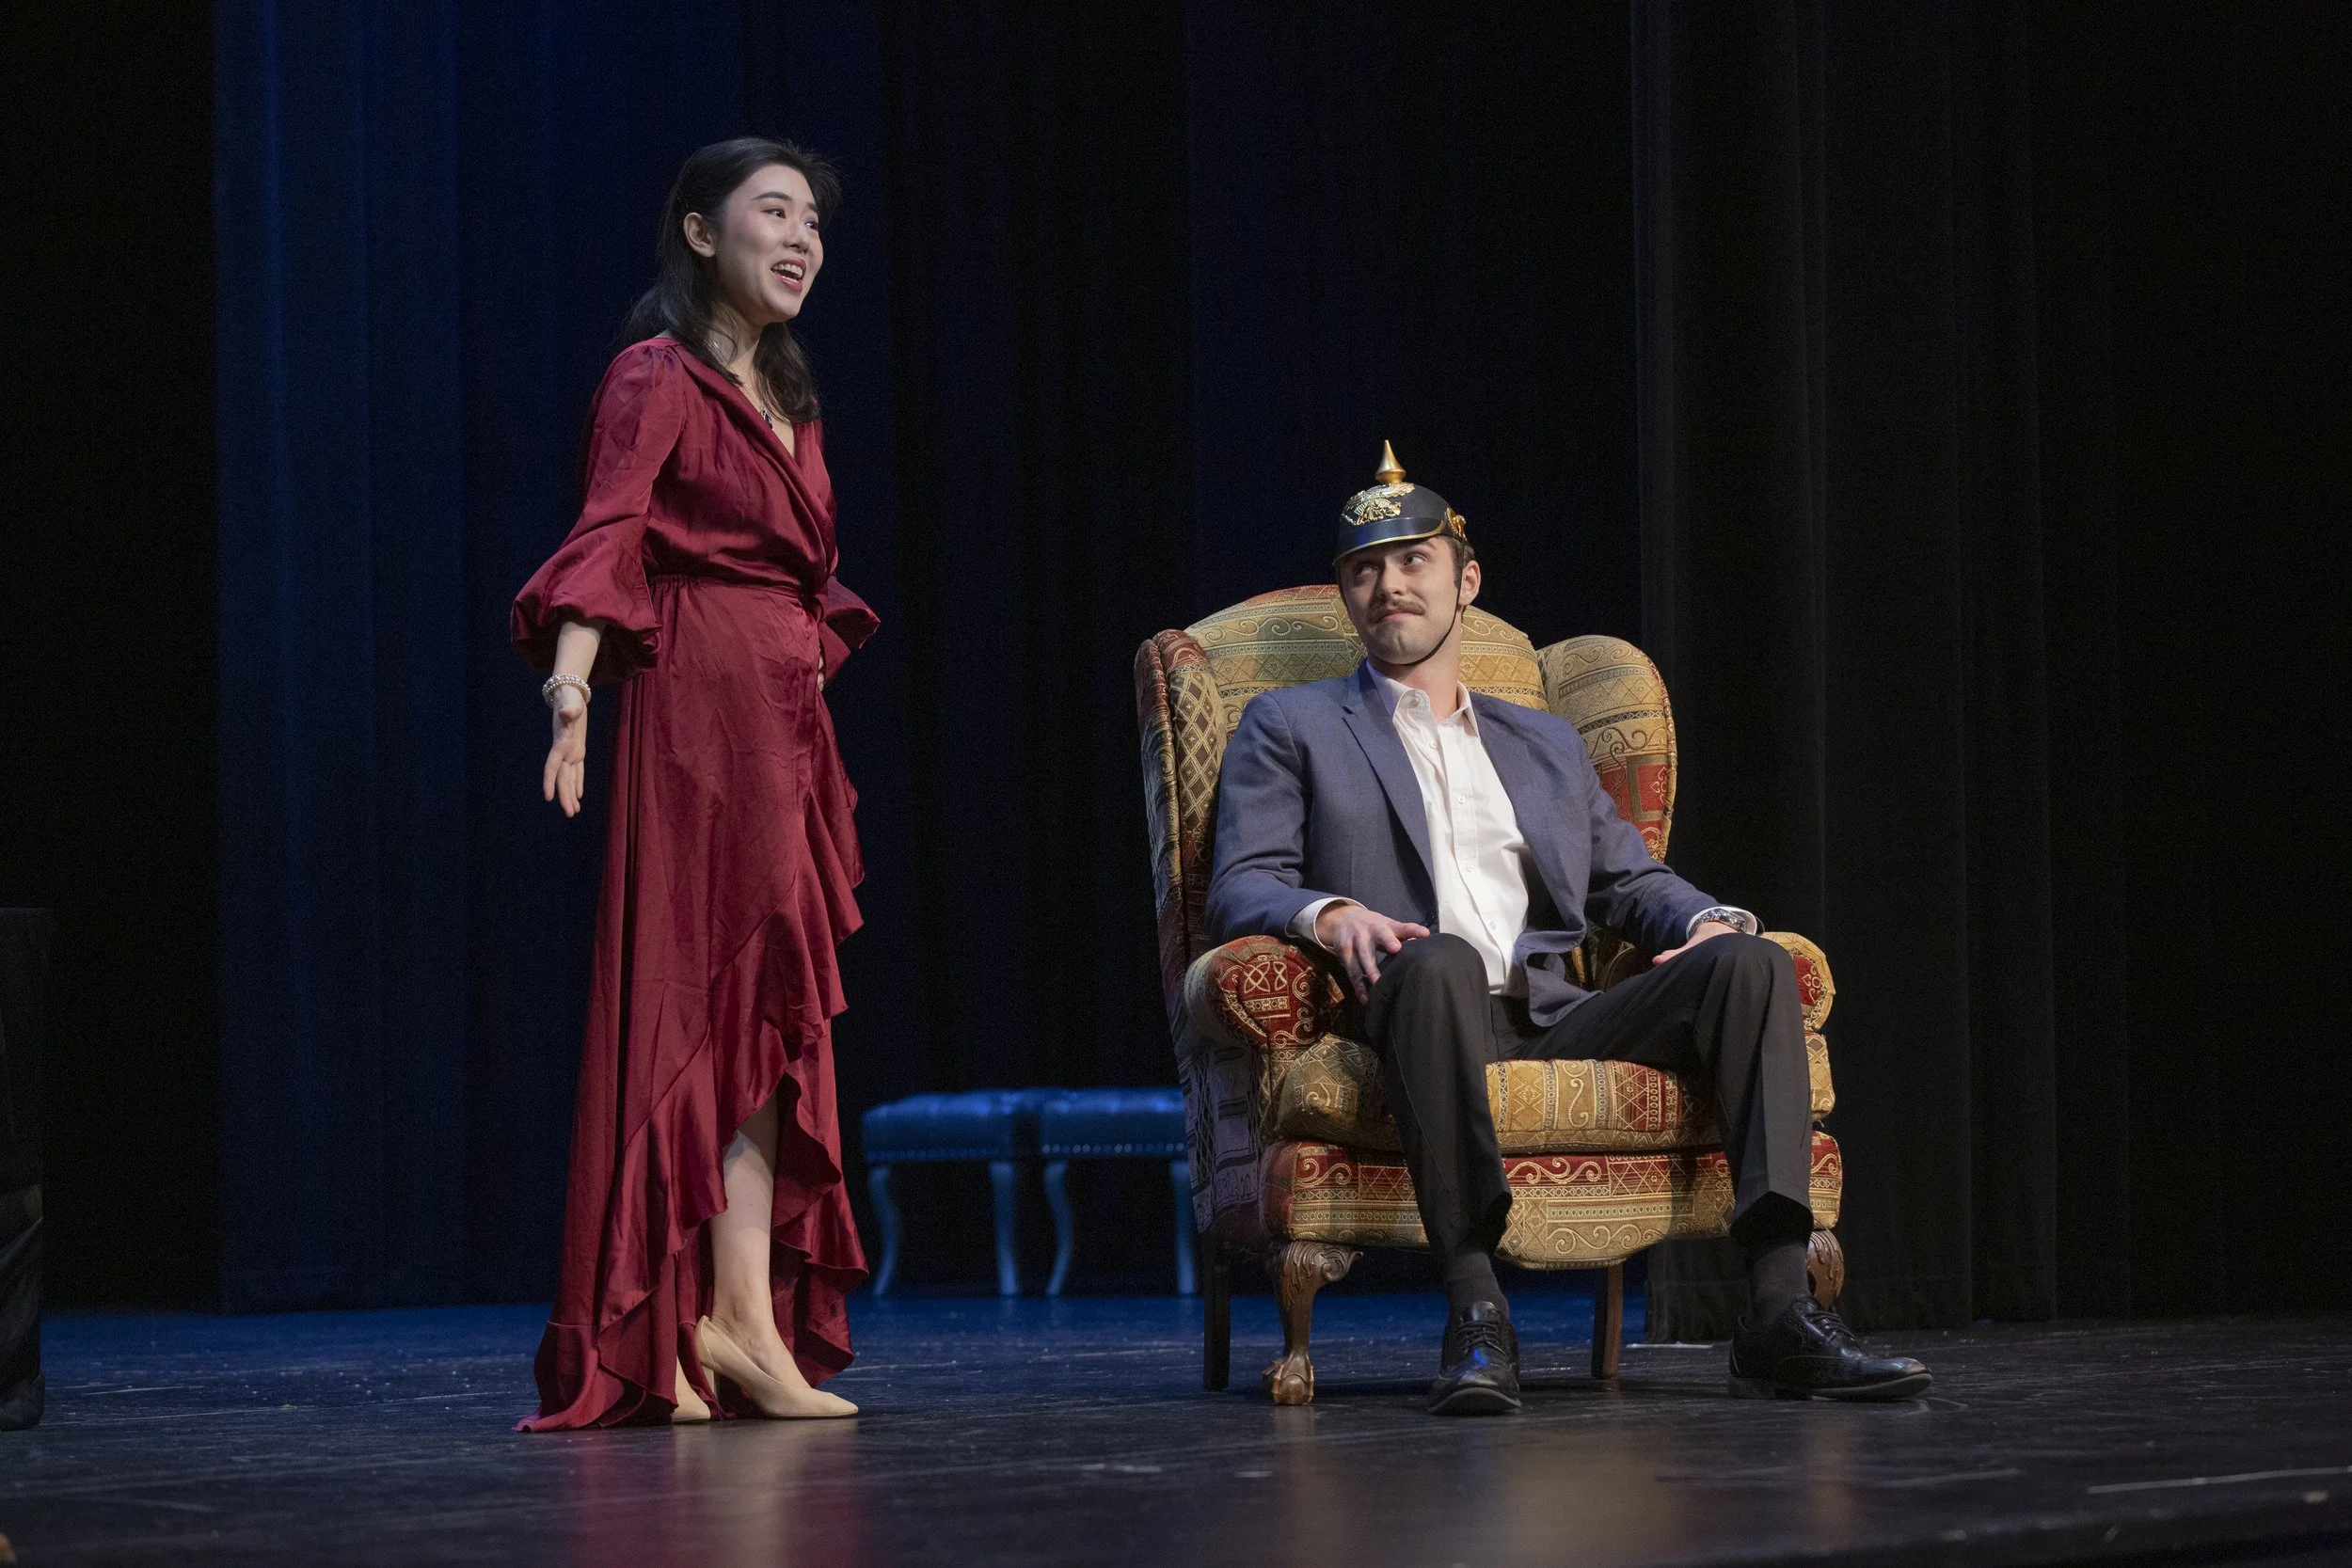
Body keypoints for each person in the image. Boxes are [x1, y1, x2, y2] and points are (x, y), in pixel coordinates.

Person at [1206, 447, 1931, 1416]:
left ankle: (1774, 1311)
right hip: (1412, 1003)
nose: (1388, 585)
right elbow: (1241, 883)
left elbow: (1630, 879)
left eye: (1413, 561)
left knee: (1750, 964)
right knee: (1441, 959)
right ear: (1347, 595)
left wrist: (1705, 920)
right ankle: (1475, 1310)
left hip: (1554, 1007)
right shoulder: (1289, 723)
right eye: (1363, 570)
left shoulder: (1542, 742)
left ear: (1464, 581)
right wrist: (1327, 912)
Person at [511, 137, 875, 1429]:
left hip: (784, 720)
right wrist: (569, 693)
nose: (803, 238)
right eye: (774, 211)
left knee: (772, 1018)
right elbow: (609, 533)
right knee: (697, 1005)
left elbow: (805, 569)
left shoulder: (793, 391)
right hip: (699, 714)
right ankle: (660, 1318)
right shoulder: (653, 375)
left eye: (816, 224)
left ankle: (739, 1317)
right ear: (701, 230)